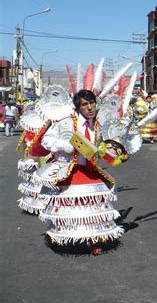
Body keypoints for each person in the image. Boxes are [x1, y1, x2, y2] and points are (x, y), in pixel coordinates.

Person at [34, 89, 123, 255]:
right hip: (68, 169)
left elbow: (104, 148)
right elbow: (46, 140)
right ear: (77, 108)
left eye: (92, 103)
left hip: (90, 170)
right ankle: (62, 236)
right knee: (67, 207)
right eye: (84, 104)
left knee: (93, 206)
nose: (89, 108)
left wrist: (116, 151)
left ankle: (95, 240)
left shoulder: (98, 124)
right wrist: (65, 146)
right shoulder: (65, 122)